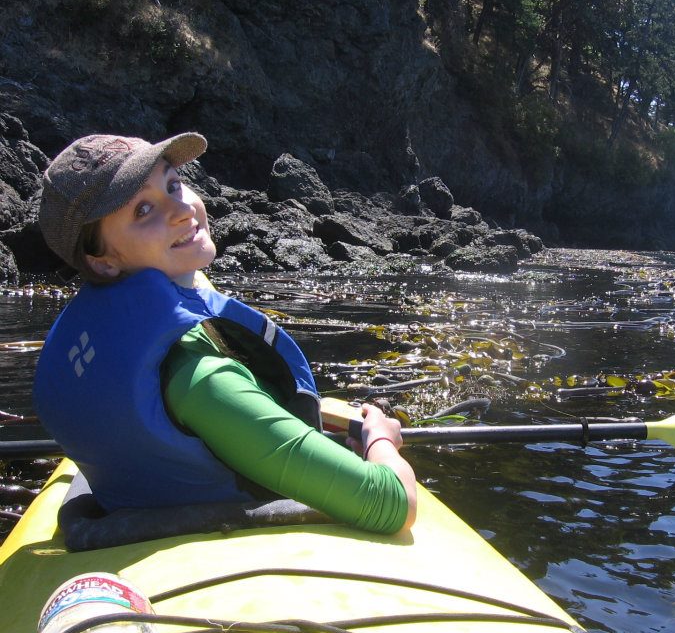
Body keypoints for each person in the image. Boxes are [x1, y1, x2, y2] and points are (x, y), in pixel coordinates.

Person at [33, 133, 416, 534]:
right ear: (102, 260)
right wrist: (380, 439)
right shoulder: (205, 379)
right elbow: (392, 504)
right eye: (143, 209)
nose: (183, 209)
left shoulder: (115, 309)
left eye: (173, 184)